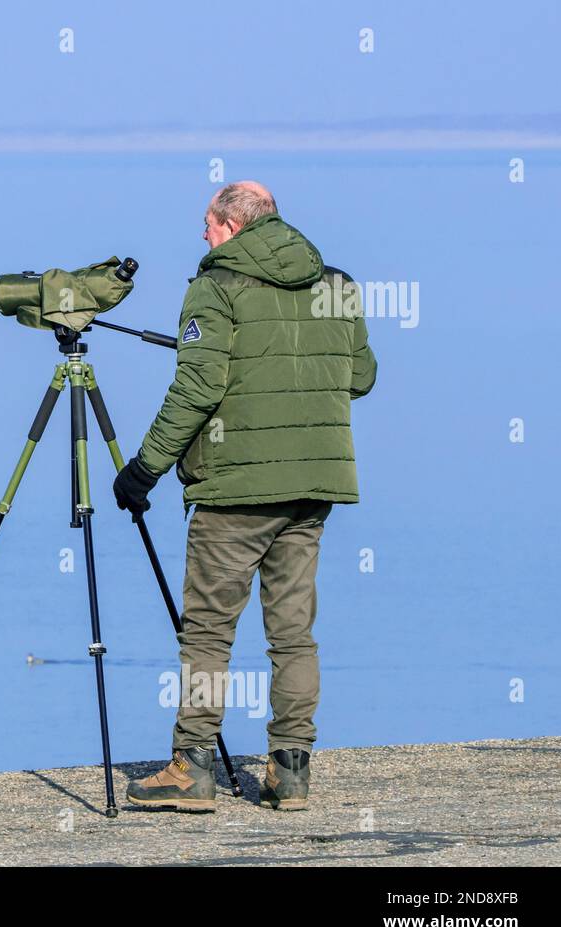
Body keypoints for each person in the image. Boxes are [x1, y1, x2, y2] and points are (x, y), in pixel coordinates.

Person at [112, 181, 376, 811]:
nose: (201, 235)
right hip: (313, 485)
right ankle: (291, 773)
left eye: (205, 223)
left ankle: (193, 768)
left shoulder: (216, 286)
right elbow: (360, 376)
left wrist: (145, 468)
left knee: (207, 633)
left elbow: (197, 390)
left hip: (234, 489)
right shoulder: (336, 284)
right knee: (293, 635)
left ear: (230, 225)